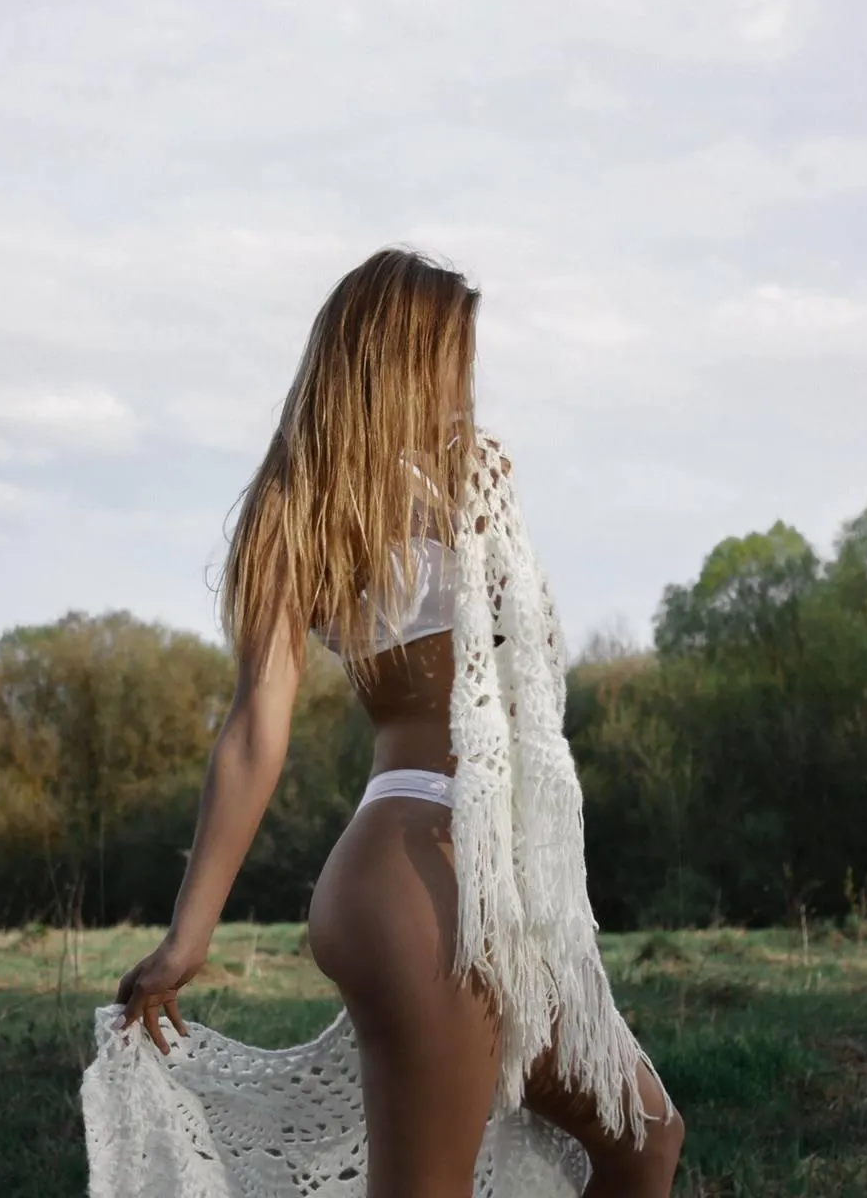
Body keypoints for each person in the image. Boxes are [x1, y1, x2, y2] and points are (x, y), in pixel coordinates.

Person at [107, 247, 684, 1197]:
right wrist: (189, 933)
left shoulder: (479, 477)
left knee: (643, 1137)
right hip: (414, 882)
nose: (467, 378)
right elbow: (256, 728)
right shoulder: (300, 509)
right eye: (453, 353)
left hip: (490, 882)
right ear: (400, 357)